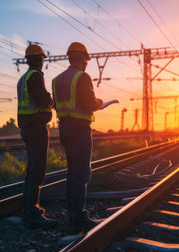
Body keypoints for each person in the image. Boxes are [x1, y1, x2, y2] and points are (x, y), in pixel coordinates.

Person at [52, 42, 103, 233]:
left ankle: (73, 215)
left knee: (72, 172)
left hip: (64, 128)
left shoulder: (57, 79)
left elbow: (56, 105)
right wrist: (98, 103)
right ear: (82, 58)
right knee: (82, 174)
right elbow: (89, 103)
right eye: (86, 60)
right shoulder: (82, 77)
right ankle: (79, 218)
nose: (86, 63)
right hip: (80, 129)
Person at [17, 44, 57, 229]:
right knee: (37, 173)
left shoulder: (23, 78)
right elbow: (43, 100)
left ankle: (27, 210)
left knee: (31, 172)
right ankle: (32, 214)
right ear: (40, 59)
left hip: (27, 128)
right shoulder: (35, 76)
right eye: (42, 58)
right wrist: (51, 99)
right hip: (36, 128)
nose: (42, 62)